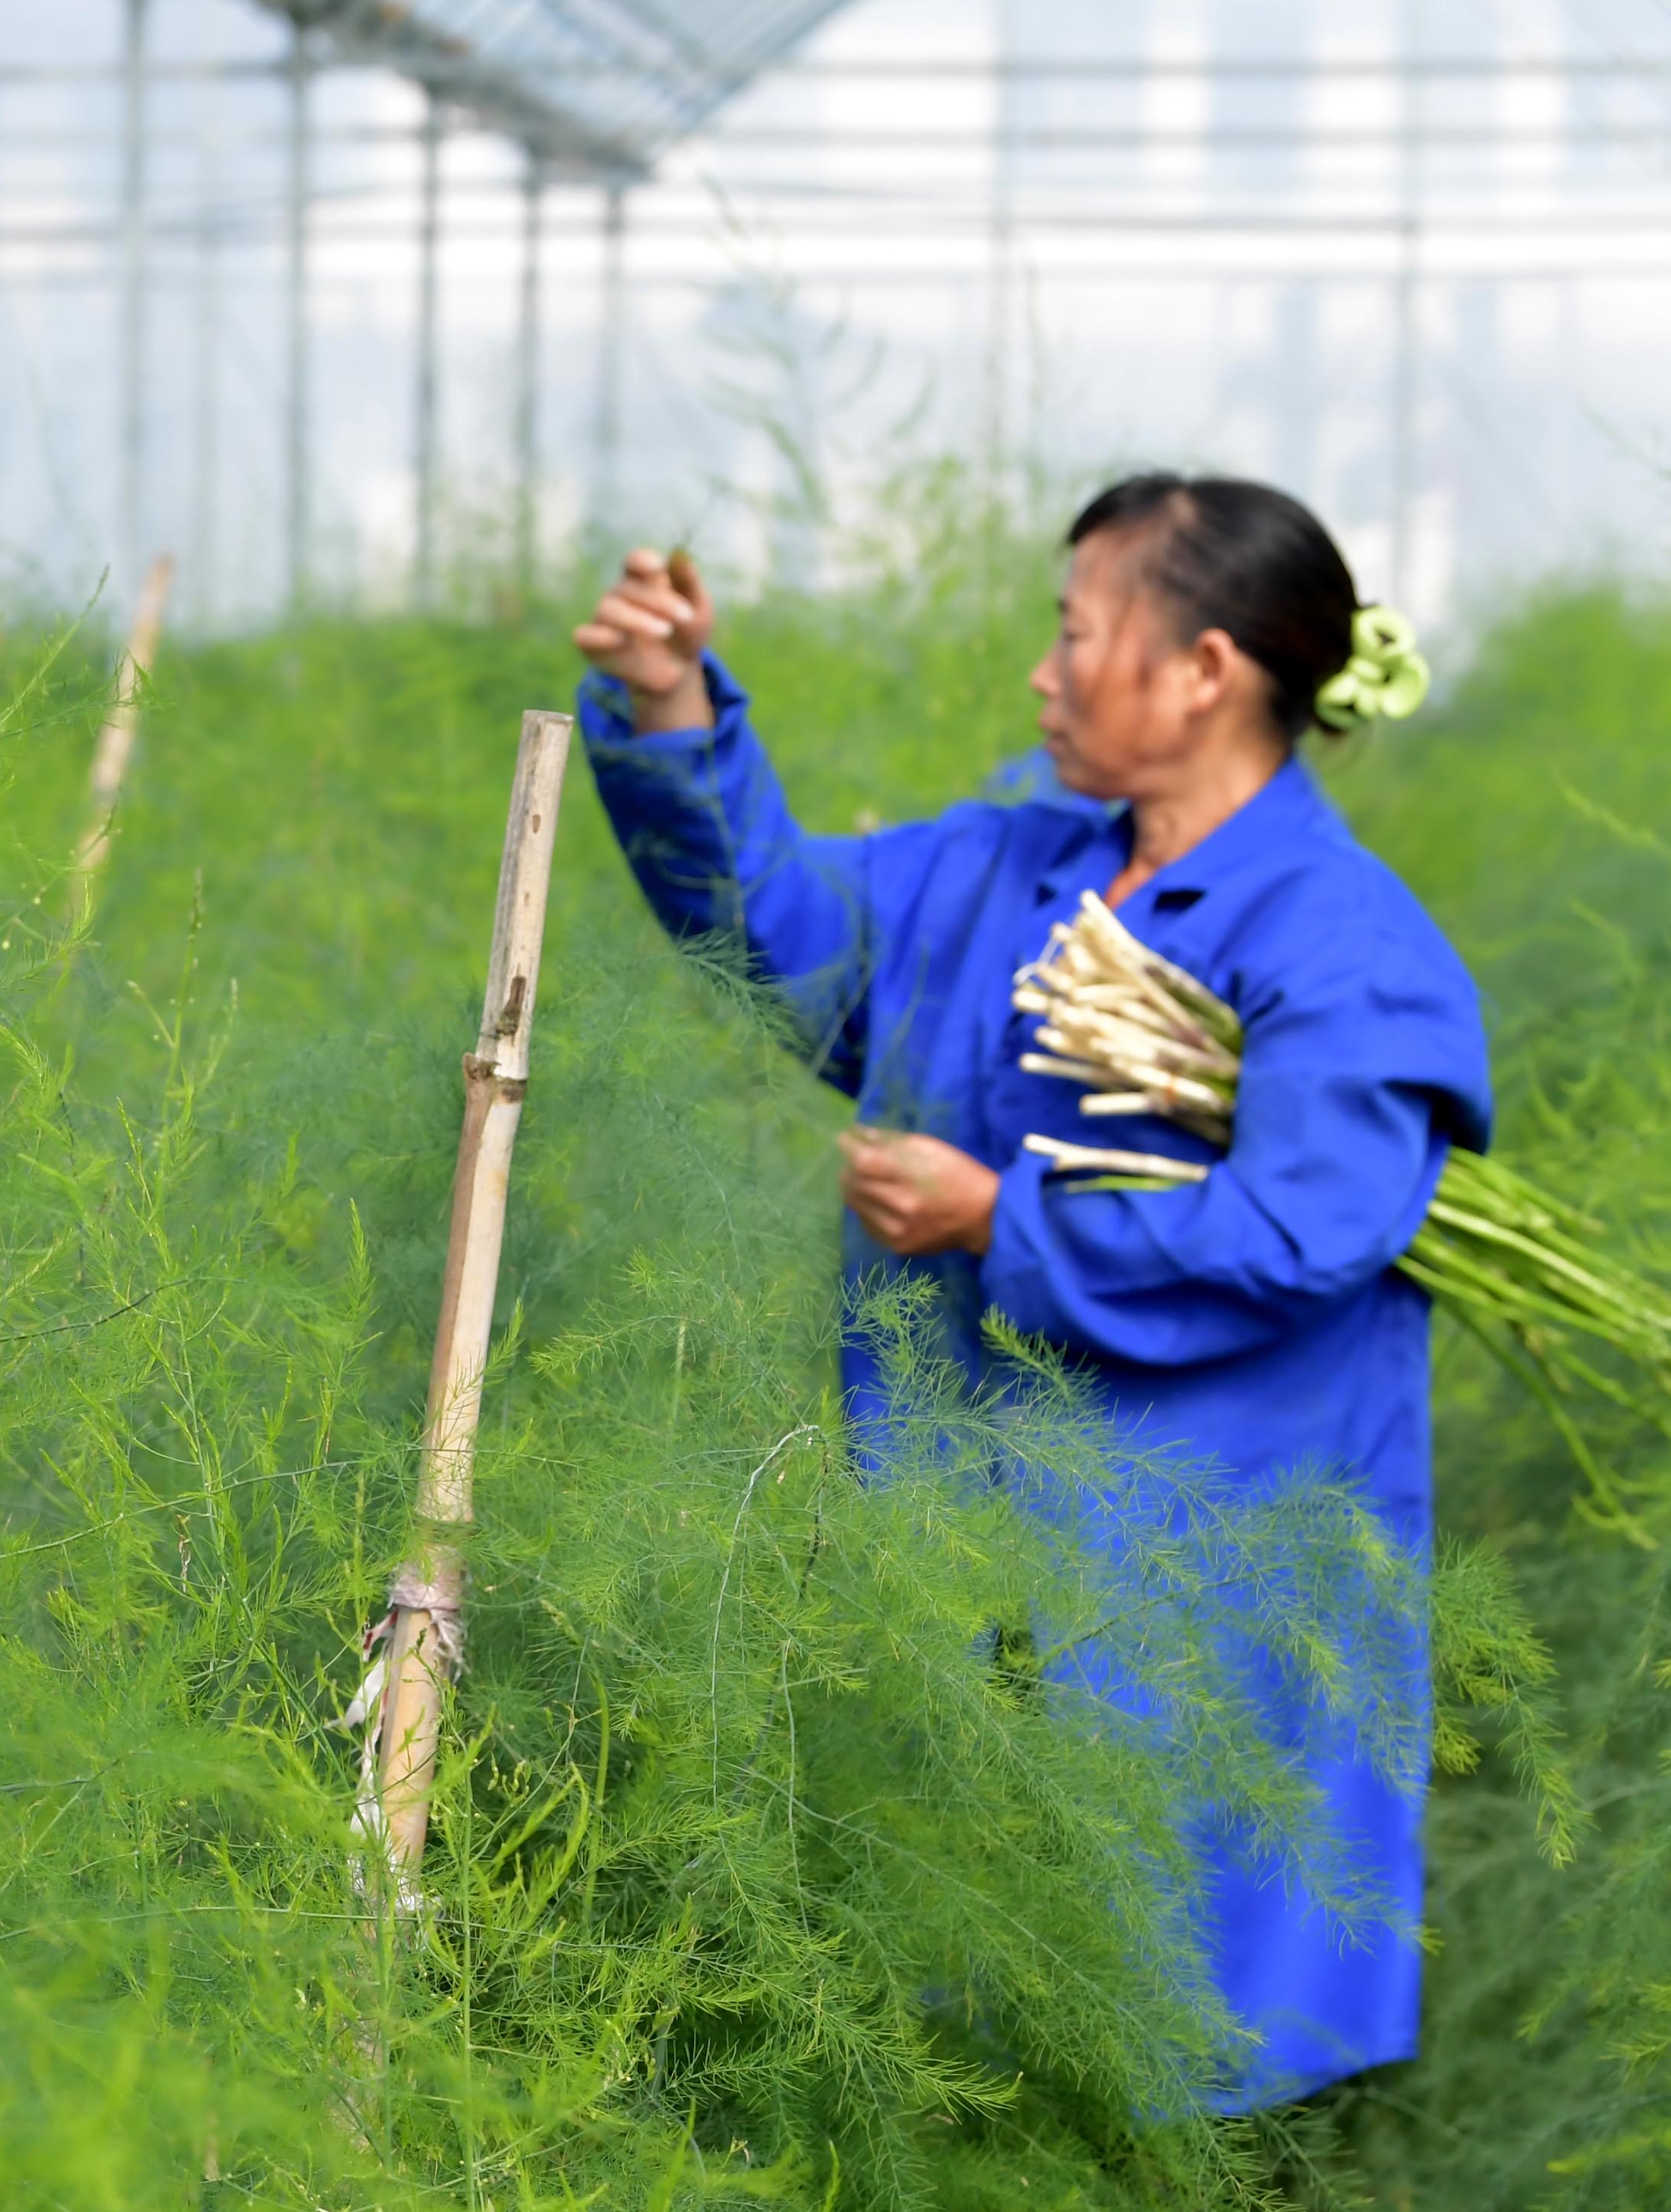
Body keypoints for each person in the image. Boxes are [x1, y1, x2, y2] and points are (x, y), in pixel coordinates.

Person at [571, 476, 1490, 2109]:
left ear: (1203, 668)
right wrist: (669, 707)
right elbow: (791, 934)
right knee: (964, 1998)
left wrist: (1005, 1215)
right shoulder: (1015, 861)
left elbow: (1300, 1229)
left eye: (1075, 634)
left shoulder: (1343, 940)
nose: (1043, 675)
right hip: (961, 1523)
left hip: (1198, 1573)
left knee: (1170, 2015)